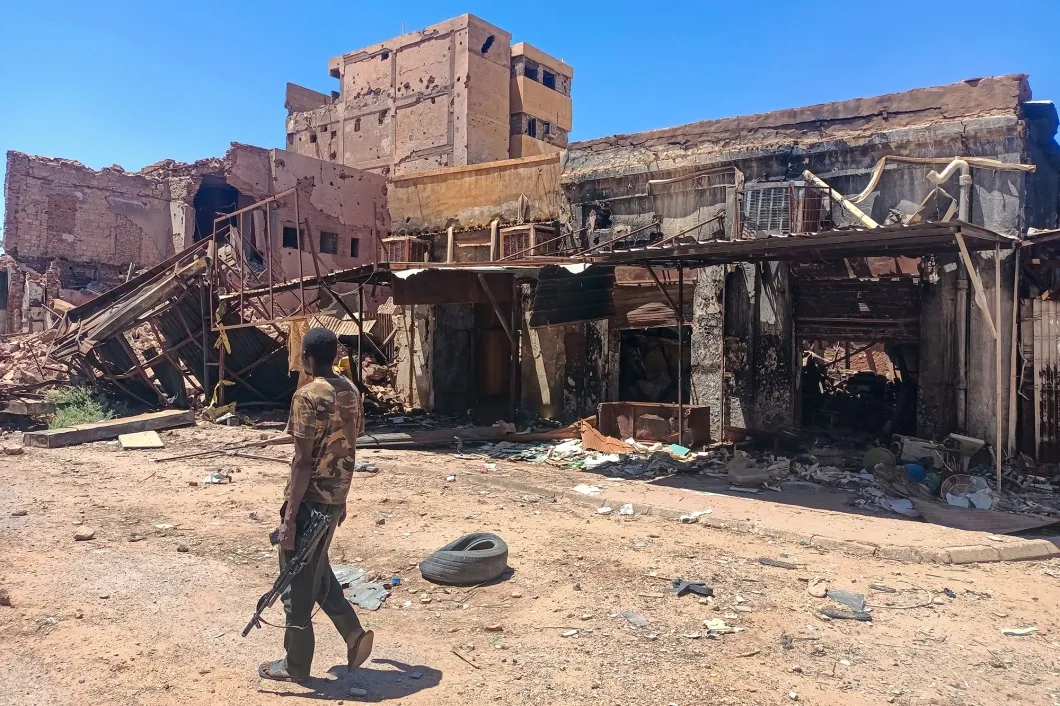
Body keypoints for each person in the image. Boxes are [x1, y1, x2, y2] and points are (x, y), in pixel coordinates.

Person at [258, 327, 373, 682]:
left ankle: (295, 666)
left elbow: (302, 461)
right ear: (335, 355)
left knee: (294, 582)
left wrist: (289, 518)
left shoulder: (307, 396)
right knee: (316, 570)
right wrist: (342, 498)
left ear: (306, 358)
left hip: (310, 502)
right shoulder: (351, 391)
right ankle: (353, 635)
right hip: (334, 499)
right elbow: (349, 447)